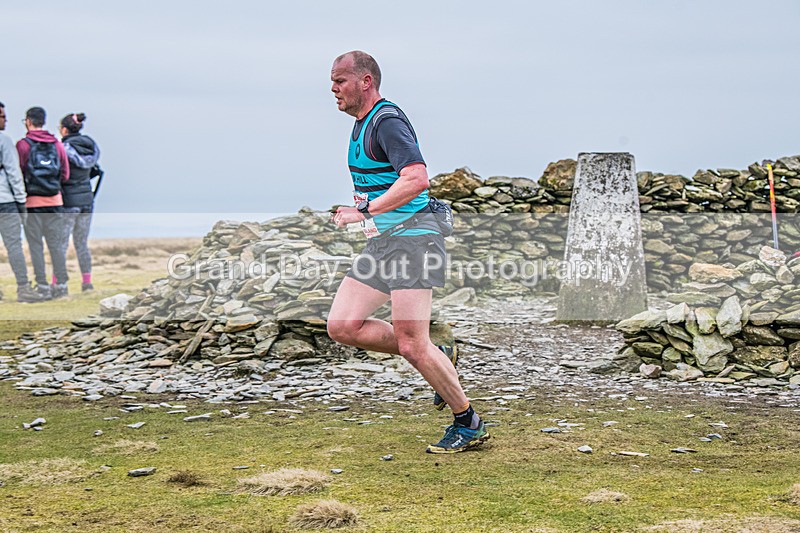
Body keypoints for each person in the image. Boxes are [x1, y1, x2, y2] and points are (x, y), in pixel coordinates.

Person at [326, 51, 489, 454]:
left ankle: (468, 423)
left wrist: (363, 209)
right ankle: (439, 349)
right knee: (343, 326)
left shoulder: (387, 121)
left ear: (366, 81)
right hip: (386, 241)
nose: (333, 88)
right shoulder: (362, 125)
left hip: (414, 240)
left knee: (412, 344)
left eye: (340, 80)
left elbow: (416, 178)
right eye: (331, 81)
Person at [16, 106, 70, 300]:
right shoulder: (57, 143)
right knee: (55, 244)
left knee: (36, 246)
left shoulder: (23, 145)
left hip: (31, 202)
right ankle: (61, 286)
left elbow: (18, 172)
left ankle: (42, 286)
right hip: (55, 200)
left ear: (28, 121)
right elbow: (65, 174)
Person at [0, 102, 43, 303]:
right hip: (6, 201)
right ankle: (23, 288)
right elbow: (13, 173)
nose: (5, 120)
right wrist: (20, 200)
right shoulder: (4, 141)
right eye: (2, 116)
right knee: (14, 245)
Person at [59, 113, 100, 292]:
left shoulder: (63, 148)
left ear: (64, 129)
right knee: (81, 243)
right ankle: (87, 282)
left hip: (69, 201)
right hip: (87, 200)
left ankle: (59, 283)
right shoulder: (91, 146)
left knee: (61, 243)